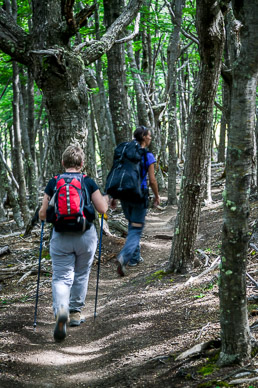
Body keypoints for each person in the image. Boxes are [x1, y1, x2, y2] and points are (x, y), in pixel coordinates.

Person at [39, 145, 108, 341]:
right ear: (82, 163)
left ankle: (61, 310)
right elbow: (102, 209)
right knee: (82, 272)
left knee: (61, 276)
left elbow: (43, 214)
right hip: (85, 235)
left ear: (62, 163)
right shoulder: (87, 181)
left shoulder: (54, 182)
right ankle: (75, 313)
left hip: (61, 236)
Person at [111, 126, 160, 276]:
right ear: (144, 137)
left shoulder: (125, 153)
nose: (151, 138)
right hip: (139, 194)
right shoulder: (148, 156)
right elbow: (152, 180)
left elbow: (117, 174)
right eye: (149, 136)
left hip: (125, 194)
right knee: (136, 228)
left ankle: (135, 257)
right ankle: (126, 257)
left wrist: (114, 196)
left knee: (132, 224)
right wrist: (157, 196)